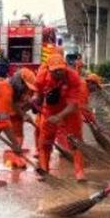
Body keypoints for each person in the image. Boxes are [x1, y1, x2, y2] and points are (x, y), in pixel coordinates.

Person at [34, 53, 88, 181]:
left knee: (75, 140)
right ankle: (44, 170)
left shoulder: (73, 77)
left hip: (69, 110)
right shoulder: (41, 77)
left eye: (61, 70)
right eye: (55, 71)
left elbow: (73, 104)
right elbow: (39, 95)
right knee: (45, 142)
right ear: (48, 69)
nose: (59, 73)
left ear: (65, 67)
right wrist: (38, 105)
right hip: (50, 110)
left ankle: (79, 172)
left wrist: (59, 116)